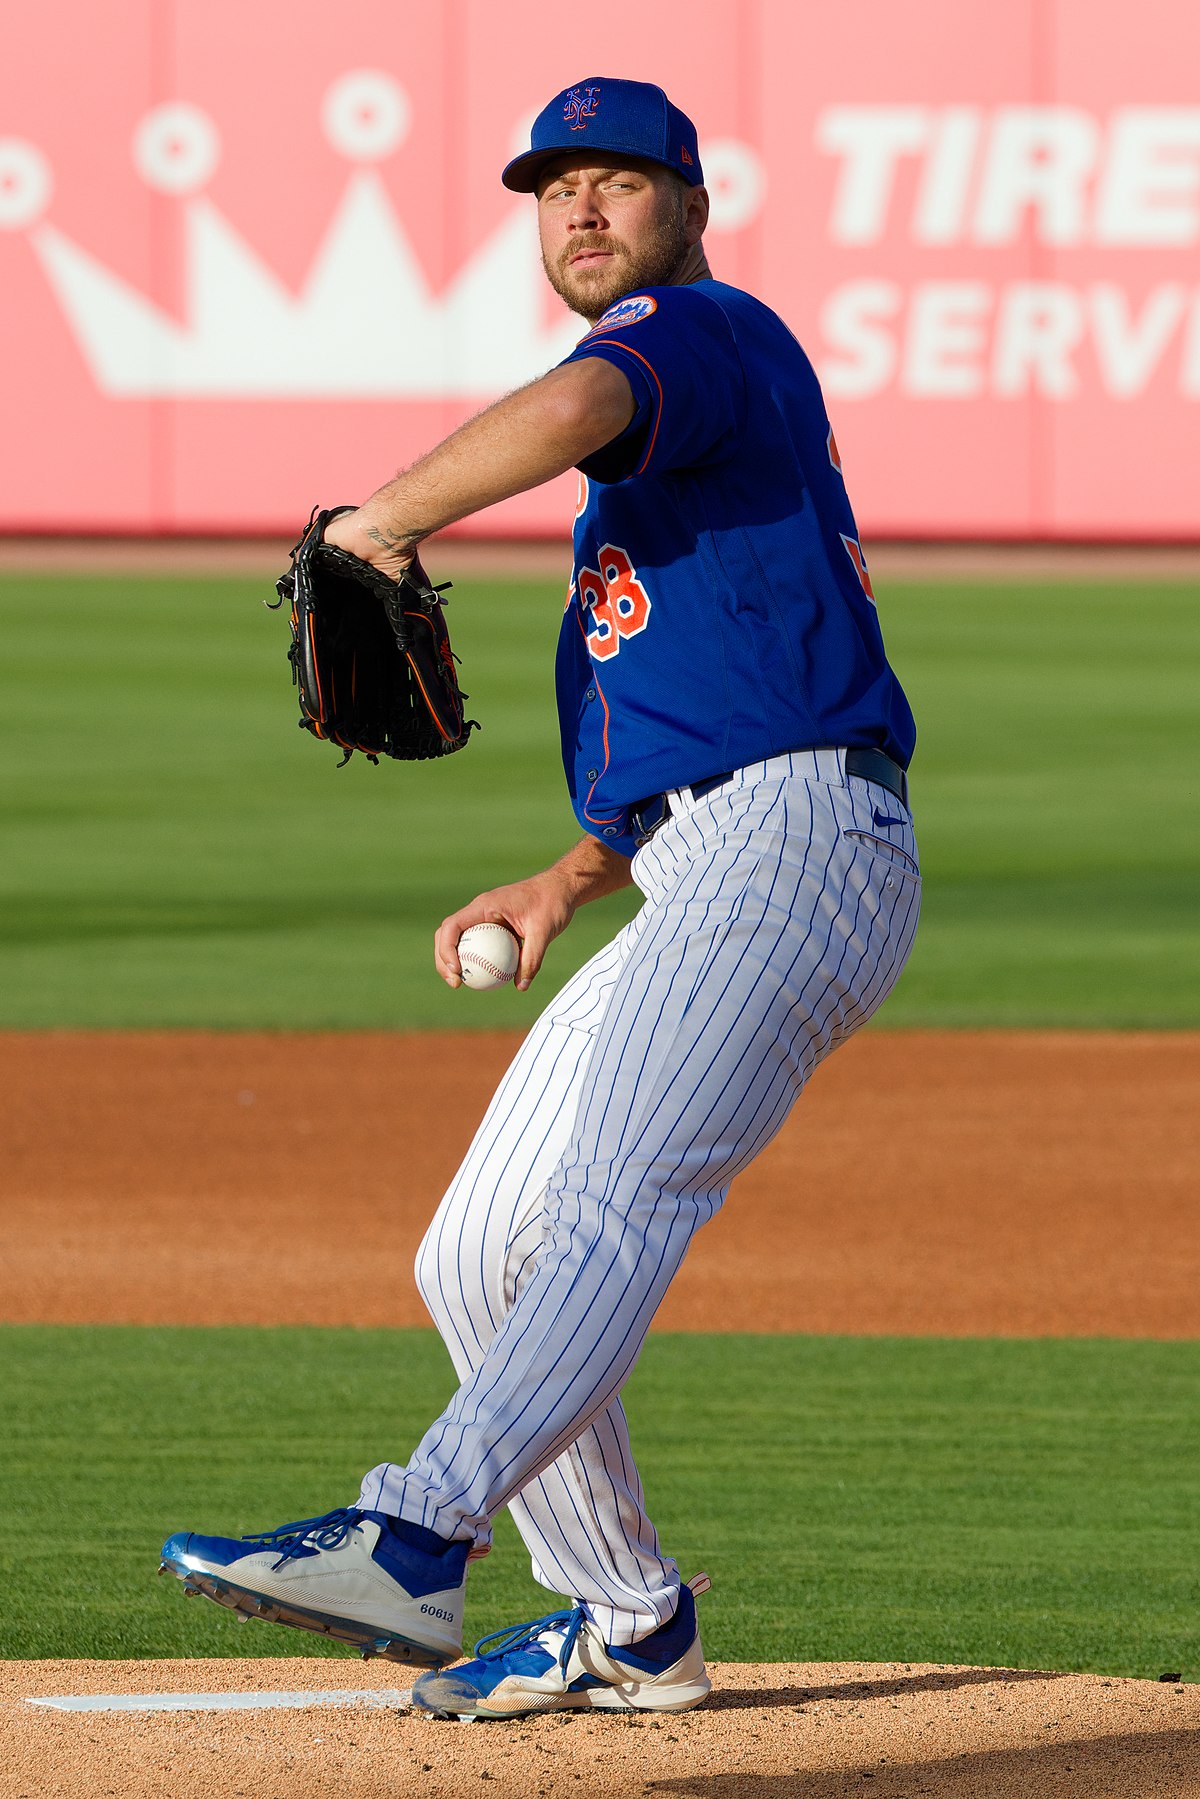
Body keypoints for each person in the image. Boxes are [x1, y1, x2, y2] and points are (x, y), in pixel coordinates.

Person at [160, 75, 921, 1721]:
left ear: (690, 207)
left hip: (798, 845)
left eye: (620, 180)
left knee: (610, 1206)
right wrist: (573, 876)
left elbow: (580, 401)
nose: (581, 208)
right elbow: (717, 712)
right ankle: (624, 1617)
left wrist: (382, 519)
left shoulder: (701, 339)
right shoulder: (669, 485)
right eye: (553, 185)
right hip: (716, 850)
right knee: (478, 1250)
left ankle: (415, 1531)